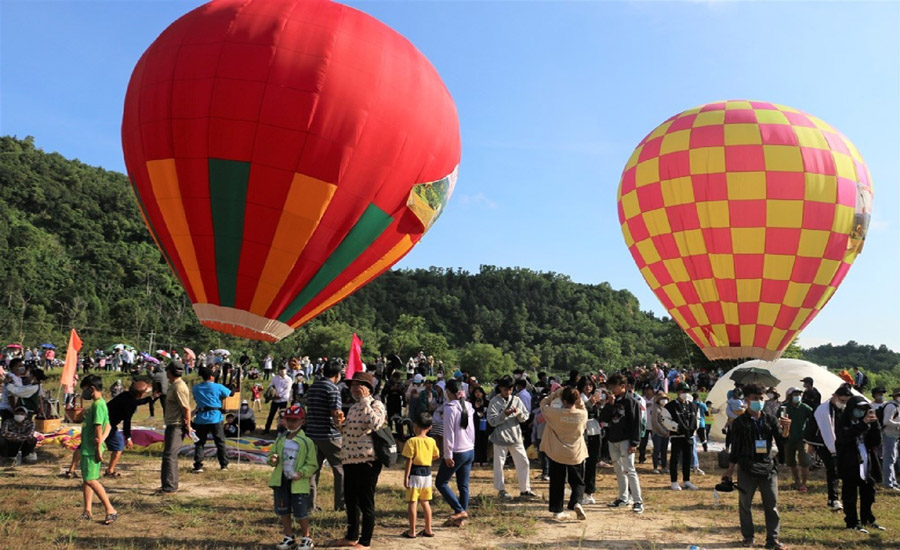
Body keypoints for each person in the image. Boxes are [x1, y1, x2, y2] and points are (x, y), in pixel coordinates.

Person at [722, 383, 790, 550]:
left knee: (771, 505)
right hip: (747, 467)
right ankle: (748, 536)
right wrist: (730, 469)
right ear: (747, 400)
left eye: (761, 398)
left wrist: (786, 429)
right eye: (755, 399)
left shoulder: (770, 419)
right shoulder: (739, 422)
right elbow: (736, 447)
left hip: (767, 467)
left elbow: (781, 440)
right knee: (745, 504)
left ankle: (772, 539)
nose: (759, 402)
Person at [323, 372, 386, 550]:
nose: (353, 388)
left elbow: (376, 424)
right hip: (349, 460)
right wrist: (339, 424)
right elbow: (348, 432)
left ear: (368, 388)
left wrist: (366, 401)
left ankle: (365, 541)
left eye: (358, 385)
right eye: (352, 385)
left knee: (366, 502)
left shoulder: (376, 404)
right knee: (350, 500)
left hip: (368, 461)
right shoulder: (353, 407)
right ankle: (351, 536)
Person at [267, 404, 317, 550]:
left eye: (294, 420)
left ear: (302, 421)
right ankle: (289, 536)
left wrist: (302, 473)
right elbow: (271, 456)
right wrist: (273, 459)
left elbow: (312, 464)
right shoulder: (280, 439)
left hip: (298, 483)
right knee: (283, 510)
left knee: (300, 511)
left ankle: (306, 537)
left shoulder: (307, 442)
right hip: (281, 480)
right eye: (288, 419)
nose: (290, 423)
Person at [836, 396, 884, 533]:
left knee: (869, 492)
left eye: (864, 409)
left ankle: (867, 518)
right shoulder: (843, 421)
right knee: (850, 494)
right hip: (849, 461)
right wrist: (862, 424)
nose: (861, 411)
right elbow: (844, 437)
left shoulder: (868, 421)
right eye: (859, 408)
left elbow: (876, 442)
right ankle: (852, 522)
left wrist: (875, 425)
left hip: (866, 460)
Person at [541, 385, 588, 520]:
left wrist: (555, 394)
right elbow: (582, 406)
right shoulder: (582, 414)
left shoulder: (555, 414)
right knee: (578, 481)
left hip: (557, 451)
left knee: (557, 480)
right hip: (575, 453)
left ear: (563, 401)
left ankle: (557, 510)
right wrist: (577, 398)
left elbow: (543, 404)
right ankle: (577, 502)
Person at [599, 373, 644, 514]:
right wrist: (610, 405)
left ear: (623, 386)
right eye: (610, 386)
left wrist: (635, 442)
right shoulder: (612, 401)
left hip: (626, 440)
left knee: (629, 469)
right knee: (618, 470)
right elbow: (604, 418)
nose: (612, 389)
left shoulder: (631, 402)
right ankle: (623, 498)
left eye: (614, 386)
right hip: (613, 439)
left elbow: (637, 423)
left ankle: (637, 500)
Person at [487, 376, 536, 499]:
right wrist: (504, 414)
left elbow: (525, 416)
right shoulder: (494, 401)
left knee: (523, 462)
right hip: (500, 437)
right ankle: (501, 489)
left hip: (516, 436)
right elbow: (491, 421)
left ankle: (525, 489)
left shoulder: (516, 400)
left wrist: (519, 413)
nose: (507, 391)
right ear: (500, 389)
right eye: (504, 389)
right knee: (499, 465)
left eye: (510, 389)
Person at [306, 361, 346, 511]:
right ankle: (340, 504)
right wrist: (342, 428)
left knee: (312, 471)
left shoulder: (313, 386)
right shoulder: (333, 389)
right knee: (340, 469)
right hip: (330, 435)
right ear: (338, 374)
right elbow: (336, 413)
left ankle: (310, 505)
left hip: (312, 433)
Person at [78, 375, 118, 524]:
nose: (84, 394)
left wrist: (98, 447)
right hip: (88, 447)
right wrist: (101, 440)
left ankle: (110, 510)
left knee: (91, 480)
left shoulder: (97, 405)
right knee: (87, 480)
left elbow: (99, 426)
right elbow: (108, 425)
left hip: (91, 449)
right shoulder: (101, 404)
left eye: (85, 390)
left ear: (92, 389)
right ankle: (87, 510)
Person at [807, 383, 853, 511]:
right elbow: (812, 428)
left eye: (845, 401)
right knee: (833, 470)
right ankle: (833, 499)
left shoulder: (845, 409)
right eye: (841, 400)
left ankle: (842, 497)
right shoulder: (822, 410)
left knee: (842, 471)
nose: (843, 403)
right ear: (834, 396)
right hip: (824, 444)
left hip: (842, 444)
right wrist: (811, 444)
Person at [436, 379, 475, 525]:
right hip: (469, 449)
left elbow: (448, 434)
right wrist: (472, 446)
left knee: (441, 482)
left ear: (448, 392)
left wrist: (447, 454)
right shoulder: (468, 406)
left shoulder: (450, 408)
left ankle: (459, 510)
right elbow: (472, 431)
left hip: (457, 451)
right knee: (463, 485)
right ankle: (461, 516)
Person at [103, 376, 154, 477]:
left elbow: (135, 402)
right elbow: (127, 421)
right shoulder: (131, 404)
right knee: (118, 446)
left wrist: (150, 398)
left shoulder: (125, 395)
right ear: (141, 394)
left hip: (100, 421)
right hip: (108, 425)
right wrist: (128, 437)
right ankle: (110, 471)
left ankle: (71, 469)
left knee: (86, 445)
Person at [401, 412, 440, 538]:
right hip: (427, 473)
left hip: (415, 473)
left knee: (413, 502)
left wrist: (406, 476)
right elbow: (436, 455)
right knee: (425, 502)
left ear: (415, 425)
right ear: (429, 427)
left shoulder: (412, 441)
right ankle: (428, 529)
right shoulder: (431, 441)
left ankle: (412, 531)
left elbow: (409, 460)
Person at [191, 366, 234, 473]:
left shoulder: (195, 388)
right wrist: (232, 386)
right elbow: (230, 393)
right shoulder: (218, 387)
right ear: (211, 376)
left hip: (201, 418)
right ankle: (224, 465)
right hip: (215, 417)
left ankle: (198, 465)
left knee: (199, 443)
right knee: (220, 442)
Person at [159, 361, 193, 494]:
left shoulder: (179, 387)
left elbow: (186, 408)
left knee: (170, 456)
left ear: (170, 372)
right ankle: (167, 485)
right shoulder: (174, 385)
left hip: (176, 425)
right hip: (172, 424)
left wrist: (188, 426)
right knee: (168, 455)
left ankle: (170, 487)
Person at [663, 383, 698, 490]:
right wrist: (677, 427)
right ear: (678, 392)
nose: (685, 394)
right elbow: (665, 419)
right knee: (675, 458)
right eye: (683, 391)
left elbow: (697, 418)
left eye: (687, 392)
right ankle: (674, 481)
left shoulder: (692, 405)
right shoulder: (670, 406)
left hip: (689, 436)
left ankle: (686, 480)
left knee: (687, 458)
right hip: (677, 436)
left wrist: (693, 429)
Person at [578, 377, 601, 504]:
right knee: (582, 463)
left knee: (592, 462)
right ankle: (580, 491)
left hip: (595, 430)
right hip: (583, 430)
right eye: (586, 385)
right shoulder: (578, 398)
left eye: (590, 385)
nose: (588, 387)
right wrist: (590, 403)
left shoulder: (595, 397)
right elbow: (578, 411)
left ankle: (589, 492)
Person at [265, 365, 293, 434]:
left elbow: (288, 389)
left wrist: (280, 395)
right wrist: (272, 393)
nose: (282, 372)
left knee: (283, 415)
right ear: (278, 371)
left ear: (286, 371)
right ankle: (266, 429)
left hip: (283, 400)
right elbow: (270, 386)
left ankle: (283, 430)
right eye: (281, 370)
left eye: (283, 370)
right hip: (275, 400)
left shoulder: (289, 379)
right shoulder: (275, 378)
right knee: (271, 414)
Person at [881, 388, 900, 489]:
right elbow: (886, 421)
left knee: (893, 458)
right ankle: (888, 484)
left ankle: (893, 482)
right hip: (889, 435)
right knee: (889, 459)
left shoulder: (897, 406)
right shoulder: (891, 406)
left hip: (894, 435)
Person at [649, 392, 670, 474]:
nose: (664, 400)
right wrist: (663, 431)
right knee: (657, 450)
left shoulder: (667, 410)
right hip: (657, 433)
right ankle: (655, 467)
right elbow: (655, 422)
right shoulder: (655, 409)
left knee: (664, 451)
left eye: (665, 399)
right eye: (662, 399)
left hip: (667, 433)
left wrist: (668, 431)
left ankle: (664, 466)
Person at [470, 386, 489, 467]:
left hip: (484, 424)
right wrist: (476, 408)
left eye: (479, 392)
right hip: (475, 424)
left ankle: (484, 459)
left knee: (484, 442)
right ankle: (476, 459)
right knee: (476, 442)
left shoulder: (487, 402)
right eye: (476, 392)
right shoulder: (471, 403)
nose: (478, 394)